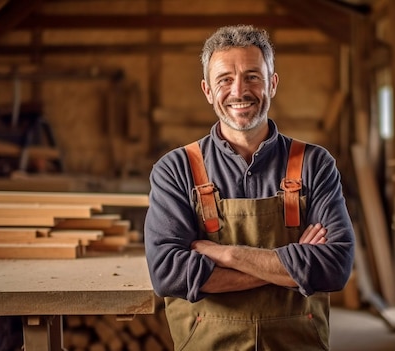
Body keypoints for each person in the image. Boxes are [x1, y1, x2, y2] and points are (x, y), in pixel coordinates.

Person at [144, 24, 355, 351]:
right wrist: (291, 265)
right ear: (208, 91)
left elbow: (334, 267)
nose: (239, 91)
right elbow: (168, 274)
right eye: (225, 79)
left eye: (253, 76)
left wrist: (224, 254)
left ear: (272, 83)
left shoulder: (314, 163)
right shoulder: (176, 169)